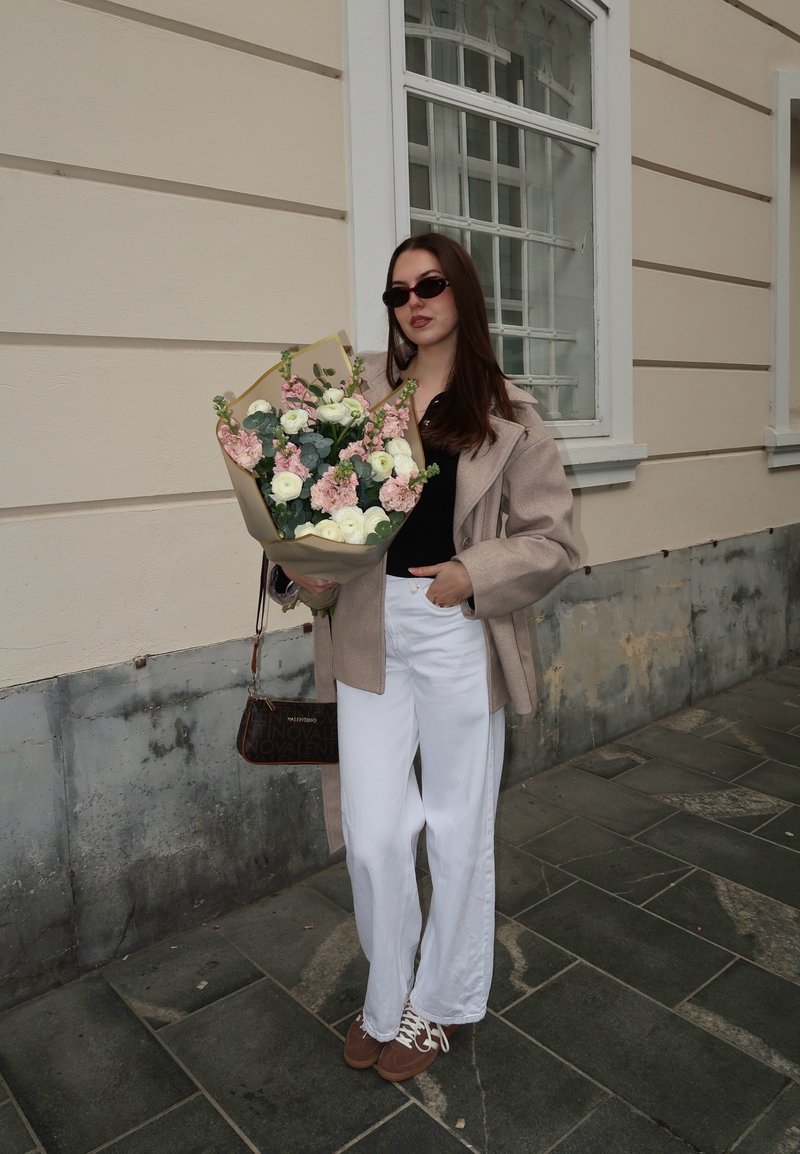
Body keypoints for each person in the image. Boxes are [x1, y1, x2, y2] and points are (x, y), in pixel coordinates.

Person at [272, 232, 579, 1082]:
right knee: (373, 833)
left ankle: (437, 1004)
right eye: (398, 291)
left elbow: (553, 541)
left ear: (461, 292)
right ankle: (386, 995)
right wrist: (297, 566)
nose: (414, 301)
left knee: (456, 830)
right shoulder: (357, 395)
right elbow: (311, 510)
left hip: (456, 627)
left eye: (431, 284)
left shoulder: (508, 412)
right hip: (367, 629)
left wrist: (472, 572)